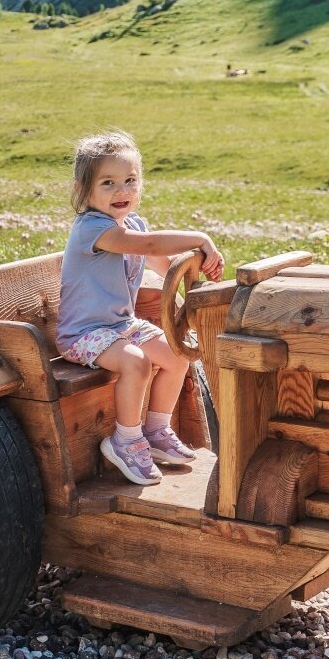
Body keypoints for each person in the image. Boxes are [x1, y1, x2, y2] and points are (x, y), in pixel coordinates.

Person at [56, 130, 223, 487]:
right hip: (83, 334)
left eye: (130, 180)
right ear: (84, 190)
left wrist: (199, 269)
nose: (122, 191)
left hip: (120, 326)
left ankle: (157, 431)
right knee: (137, 362)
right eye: (108, 183)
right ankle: (125, 440)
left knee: (177, 355)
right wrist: (200, 238)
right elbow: (145, 244)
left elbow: (165, 266)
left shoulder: (131, 224)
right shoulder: (92, 229)